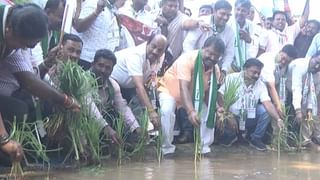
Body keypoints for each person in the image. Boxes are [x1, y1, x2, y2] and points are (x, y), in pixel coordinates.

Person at [43, 34, 120, 144]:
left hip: (72, 127)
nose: (74, 55)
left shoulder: (80, 77)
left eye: (78, 52)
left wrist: (105, 127)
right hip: (46, 121)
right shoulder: (50, 72)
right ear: (60, 50)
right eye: (71, 50)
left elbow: (88, 104)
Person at [158, 36, 225, 155]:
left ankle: (204, 148)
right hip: (169, 91)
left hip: (194, 96)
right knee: (167, 111)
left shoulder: (215, 69)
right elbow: (183, 87)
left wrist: (216, 108)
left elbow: (208, 92)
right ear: (203, 48)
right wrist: (191, 111)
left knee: (208, 112)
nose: (212, 57)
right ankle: (166, 148)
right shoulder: (187, 59)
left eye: (216, 56)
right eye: (210, 53)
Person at [217, 59, 283, 151]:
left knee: (265, 111)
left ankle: (255, 138)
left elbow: (267, 103)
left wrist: (278, 119)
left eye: (258, 73)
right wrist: (228, 115)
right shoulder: (232, 78)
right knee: (226, 139)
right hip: (232, 116)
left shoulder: (260, 84)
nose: (256, 75)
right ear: (245, 69)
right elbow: (220, 95)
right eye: (254, 72)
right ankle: (231, 136)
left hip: (249, 117)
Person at [111, 34, 167, 130]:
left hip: (131, 86)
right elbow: (139, 86)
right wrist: (151, 111)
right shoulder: (136, 55)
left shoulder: (159, 57)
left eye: (160, 50)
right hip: (113, 82)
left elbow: (150, 80)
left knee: (140, 117)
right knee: (123, 118)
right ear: (148, 43)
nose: (155, 51)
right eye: (153, 46)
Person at [90, 49, 141, 135]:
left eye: (108, 68)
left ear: (112, 70)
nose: (103, 70)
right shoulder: (82, 81)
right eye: (100, 65)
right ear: (93, 64)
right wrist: (106, 128)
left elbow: (122, 107)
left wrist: (136, 127)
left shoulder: (113, 85)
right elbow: (90, 108)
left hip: (101, 124)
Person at [183, 0, 235, 81]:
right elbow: (188, 43)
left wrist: (224, 70)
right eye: (222, 13)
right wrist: (193, 62)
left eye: (228, 15)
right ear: (214, 11)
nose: (225, 17)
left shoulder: (230, 31)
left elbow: (229, 53)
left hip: (212, 66)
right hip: (193, 61)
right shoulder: (202, 21)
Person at [73, 0, 126, 70]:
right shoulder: (93, 3)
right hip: (83, 59)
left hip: (96, 63)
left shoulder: (112, 10)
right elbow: (79, 27)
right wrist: (96, 12)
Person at [289, 51, 320, 149]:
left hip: (305, 92)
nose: (316, 66)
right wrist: (298, 110)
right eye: (317, 62)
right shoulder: (300, 65)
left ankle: (307, 140)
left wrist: (309, 108)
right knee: (295, 113)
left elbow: (313, 94)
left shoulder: (318, 74)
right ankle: (283, 139)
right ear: (312, 57)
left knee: (310, 114)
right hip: (288, 87)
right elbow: (296, 89)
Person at [258, 45, 298, 117]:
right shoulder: (268, 59)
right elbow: (271, 86)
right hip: (256, 92)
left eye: (287, 61)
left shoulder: (285, 67)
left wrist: (282, 104)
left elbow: (281, 86)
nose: (283, 62)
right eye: (283, 58)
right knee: (267, 112)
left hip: (267, 94)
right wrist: (278, 105)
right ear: (280, 52)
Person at [229, 0, 259, 72]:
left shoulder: (254, 27)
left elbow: (255, 48)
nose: (240, 13)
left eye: (243, 10)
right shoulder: (228, 25)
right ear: (234, 10)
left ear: (248, 13)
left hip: (247, 68)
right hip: (229, 66)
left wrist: (249, 40)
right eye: (238, 9)